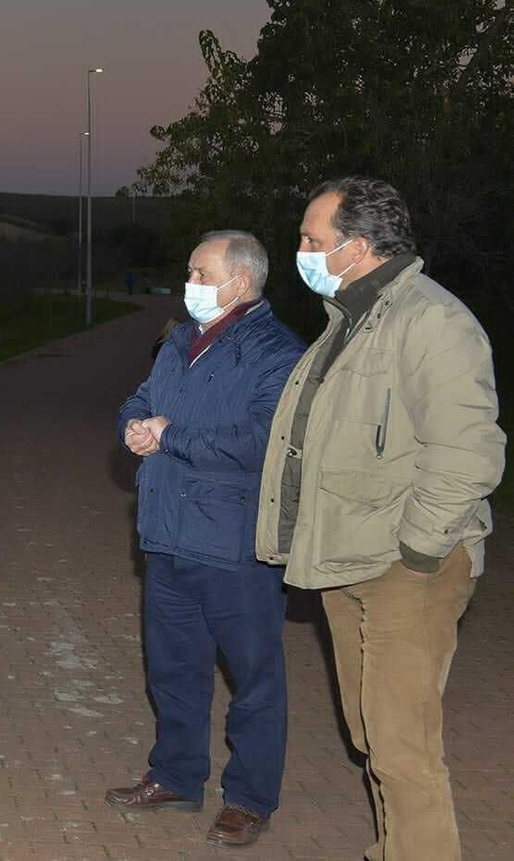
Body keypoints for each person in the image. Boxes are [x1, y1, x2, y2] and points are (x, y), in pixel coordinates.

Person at [256, 177, 504, 861]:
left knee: (402, 745)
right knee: (369, 732)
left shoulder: (433, 321)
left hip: (404, 564)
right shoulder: (350, 320)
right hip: (346, 555)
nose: (301, 249)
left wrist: (418, 550)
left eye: (313, 238)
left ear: (358, 246)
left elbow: (470, 452)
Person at [105, 231, 305, 848]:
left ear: (238, 283)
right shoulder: (179, 340)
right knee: (173, 671)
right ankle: (175, 776)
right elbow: (140, 401)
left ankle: (248, 798)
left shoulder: (276, 352)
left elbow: (265, 443)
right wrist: (134, 427)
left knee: (254, 679)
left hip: (233, 546)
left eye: (199, 271)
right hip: (165, 535)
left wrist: (172, 437)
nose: (188, 281)